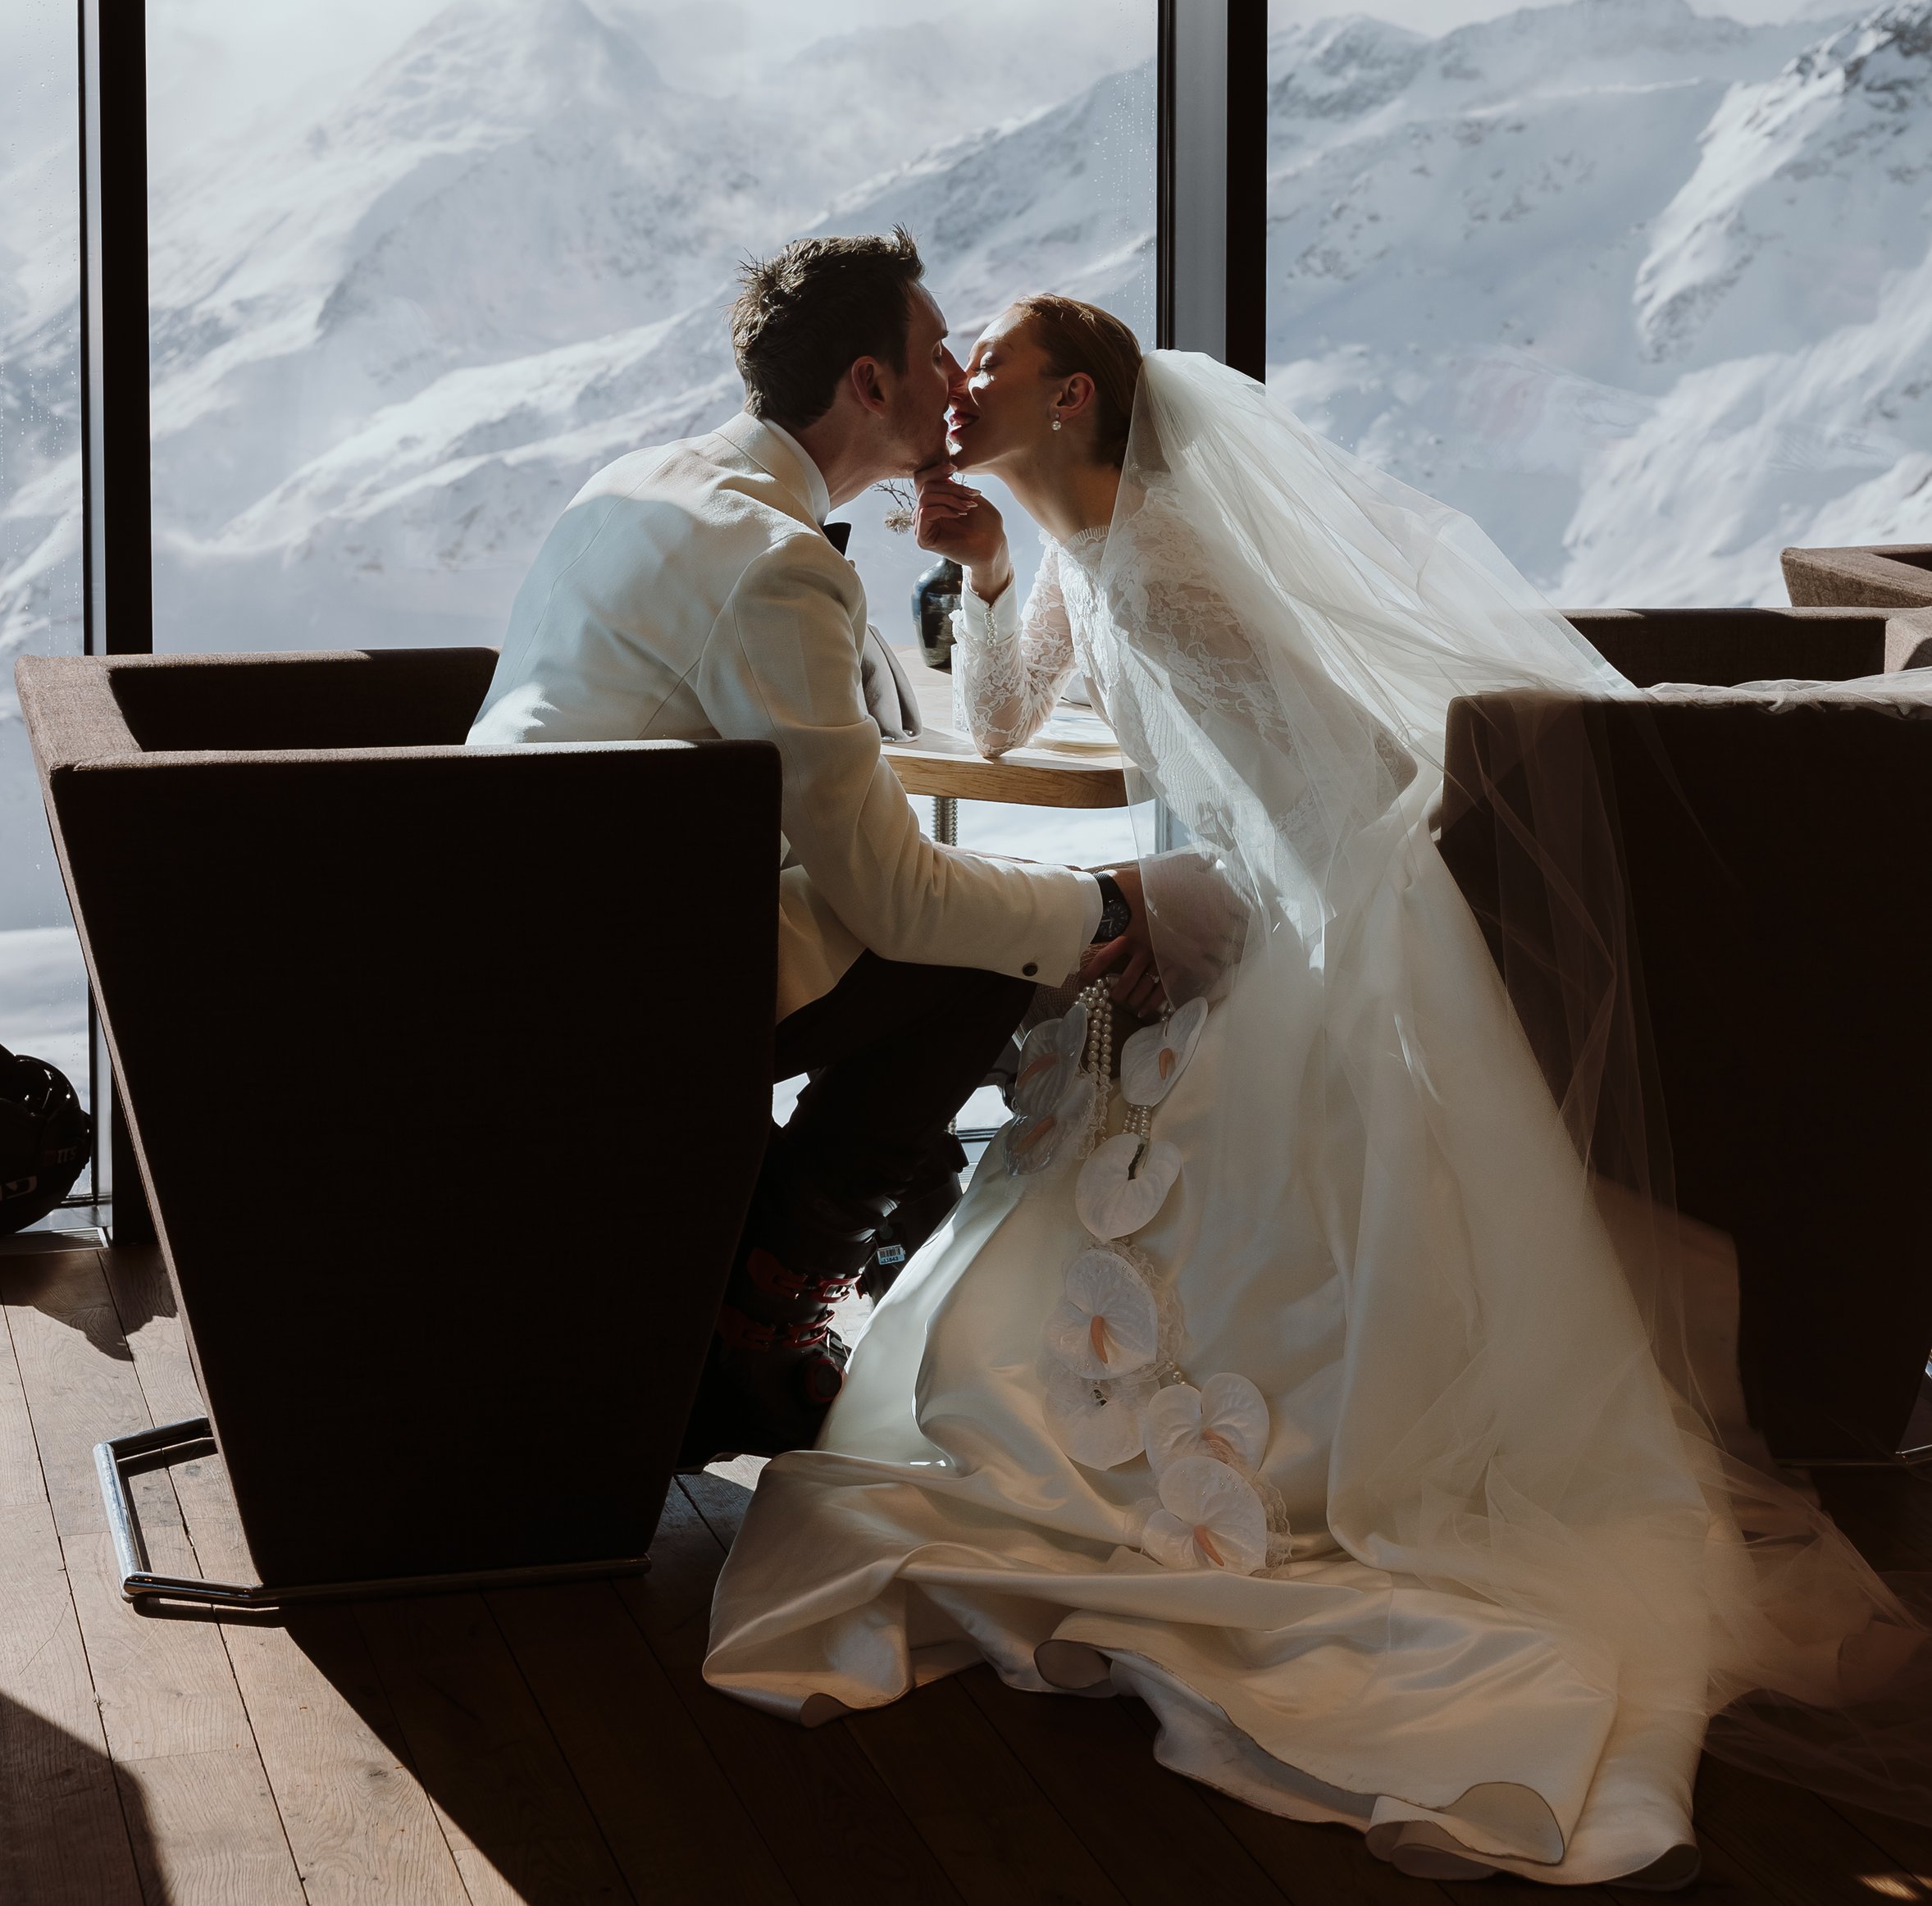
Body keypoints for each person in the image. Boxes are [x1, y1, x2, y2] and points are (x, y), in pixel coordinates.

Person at [703, 294, 1925, 1887]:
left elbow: (1341, 769)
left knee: (1168, 1152)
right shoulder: (1086, 551)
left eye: (984, 364)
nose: (954, 386)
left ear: (1068, 395)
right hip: (1233, 909)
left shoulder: (1171, 553)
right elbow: (996, 715)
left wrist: (1245, 940)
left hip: (1319, 925)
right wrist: (987, 557)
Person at [467, 235, 1152, 1461]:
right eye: (937, 350)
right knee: (992, 946)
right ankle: (766, 1308)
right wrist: (1094, 910)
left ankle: (768, 1255)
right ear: (870, 385)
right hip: (626, 973)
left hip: (517, 924)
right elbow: (891, 893)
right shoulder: (777, 562)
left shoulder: (635, 479)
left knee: (971, 917)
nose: (957, 374)